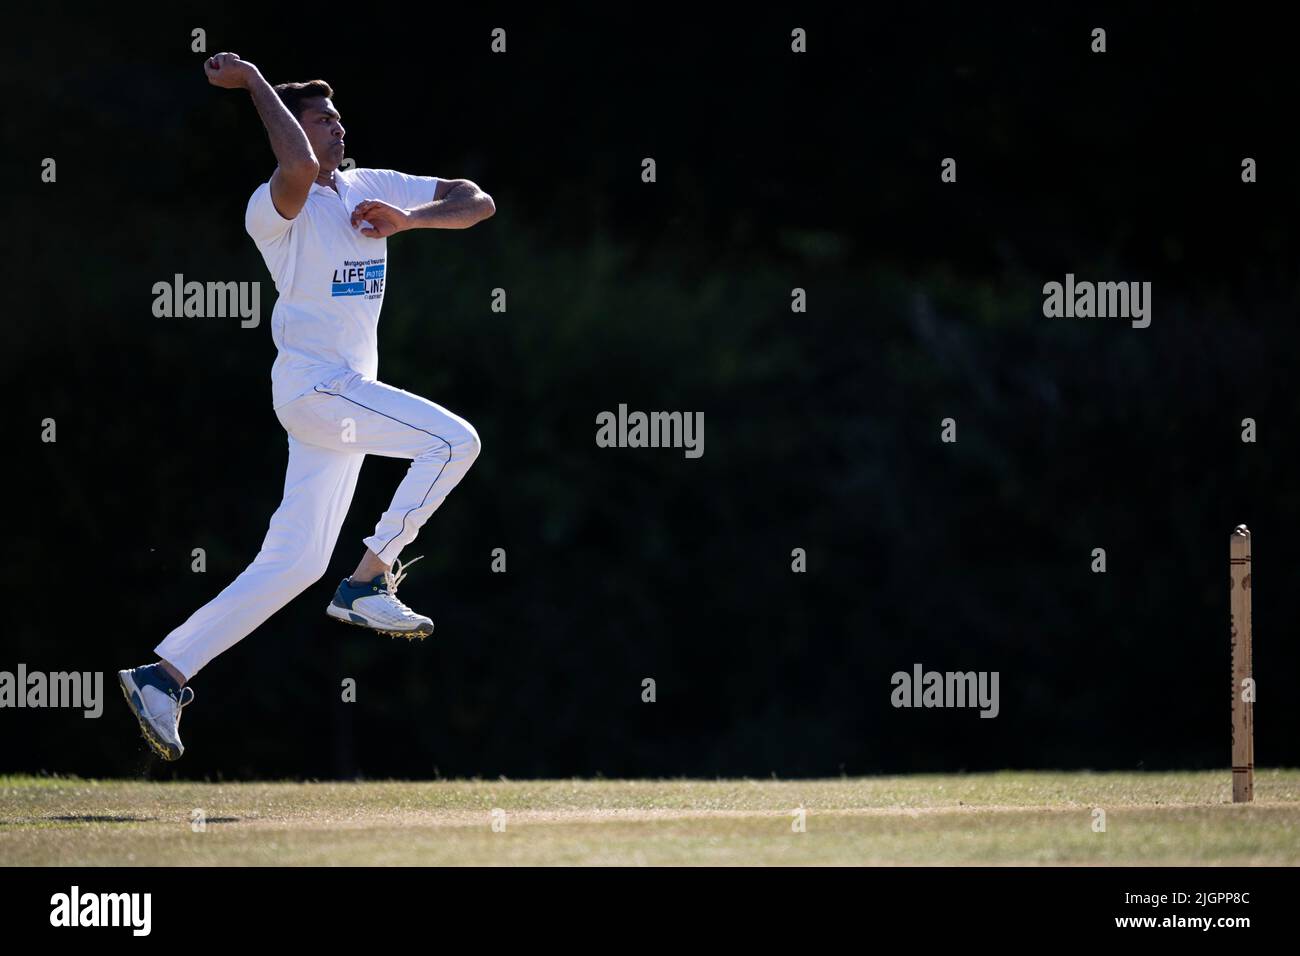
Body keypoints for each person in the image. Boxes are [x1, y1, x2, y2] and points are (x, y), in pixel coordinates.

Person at [118, 52, 494, 760]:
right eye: (323, 120)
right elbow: (294, 169)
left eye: (340, 118)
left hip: (343, 402)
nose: (339, 129)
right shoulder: (274, 207)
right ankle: (370, 578)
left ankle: (162, 674)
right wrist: (256, 82)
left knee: (293, 563)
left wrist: (409, 219)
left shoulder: (370, 185)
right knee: (455, 442)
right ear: (291, 126)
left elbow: (477, 200)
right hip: (317, 392)